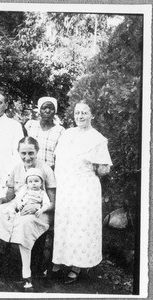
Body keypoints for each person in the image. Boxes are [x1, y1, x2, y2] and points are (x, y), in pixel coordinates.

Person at [0, 137, 56, 291]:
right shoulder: (17, 168)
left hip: (40, 212)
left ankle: (26, 272)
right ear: (18, 152)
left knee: (24, 223)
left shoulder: (46, 169)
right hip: (19, 207)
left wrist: (36, 209)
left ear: (37, 152)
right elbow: (10, 196)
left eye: (31, 153)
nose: (27, 157)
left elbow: (53, 203)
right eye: (23, 153)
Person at [51, 99, 112, 284]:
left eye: (84, 112)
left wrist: (96, 166)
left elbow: (104, 169)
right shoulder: (67, 134)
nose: (80, 116)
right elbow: (59, 159)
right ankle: (60, 261)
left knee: (80, 225)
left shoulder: (98, 138)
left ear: (92, 115)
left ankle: (77, 266)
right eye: (77, 113)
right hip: (66, 187)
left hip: (85, 188)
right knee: (64, 224)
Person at [0, 92, 24, 187]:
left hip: (5, 175)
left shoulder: (15, 126)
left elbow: (18, 153)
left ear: (6, 105)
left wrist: (11, 175)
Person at [25, 96, 65, 170]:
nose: (47, 111)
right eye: (44, 108)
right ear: (40, 110)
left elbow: (61, 157)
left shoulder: (60, 131)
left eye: (51, 108)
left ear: (55, 111)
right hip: (30, 172)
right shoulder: (30, 125)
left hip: (50, 172)